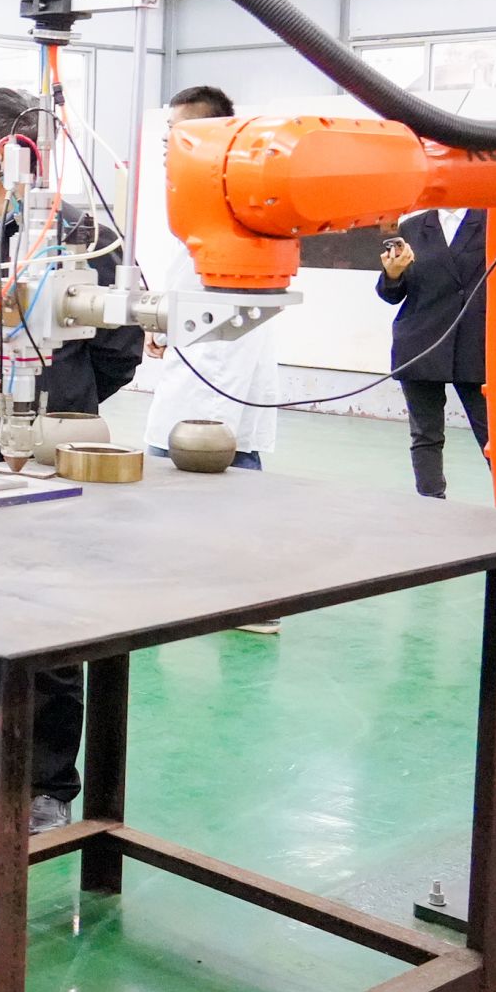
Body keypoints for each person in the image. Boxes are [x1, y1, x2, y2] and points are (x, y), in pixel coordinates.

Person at [0, 86, 142, 831]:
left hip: (46, 453)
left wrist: (62, 405)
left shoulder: (77, 233)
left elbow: (121, 344)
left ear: (9, 152)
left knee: (48, 616)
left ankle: (49, 782)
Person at [141, 86, 282, 631]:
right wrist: (163, 324)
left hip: (225, 379)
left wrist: (170, 322)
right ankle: (185, 594)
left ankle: (253, 602)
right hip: (194, 373)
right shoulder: (198, 207)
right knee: (187, 484)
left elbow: (237, 301)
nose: (167, 147)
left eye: (177, 135)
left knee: (230, 481)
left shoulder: (242, 205)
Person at [379, 205, 491, 498]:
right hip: (421, 342)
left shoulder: (493, 221)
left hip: (476, 342)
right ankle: (430, 505)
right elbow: (391, 294)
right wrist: (392, 274)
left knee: (494, 437)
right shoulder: (412, 227)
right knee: (425, 436)